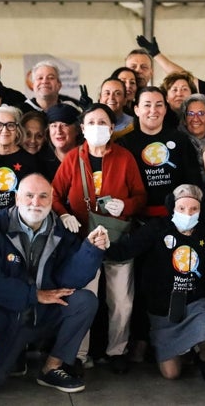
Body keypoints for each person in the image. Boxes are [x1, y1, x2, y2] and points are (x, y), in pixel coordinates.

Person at [0, 173, 109, 393]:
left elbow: (70, 280)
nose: (36, 202)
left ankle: (51, 368)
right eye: (29, 196)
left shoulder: (61, 230)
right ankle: (16, 355)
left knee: (85, 301)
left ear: (52, 198)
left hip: (46, 314)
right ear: (17, 198)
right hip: (8, 317)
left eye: (43, 196)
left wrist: (91, 251)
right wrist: (34, 295)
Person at [52, 103, 146, 374]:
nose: (96, 127)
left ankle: (117, 350)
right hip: (83, 241)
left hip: (116, 237)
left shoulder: (125, 157)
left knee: (121, 300)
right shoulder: (72, 158)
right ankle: (78, 354)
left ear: (112, 127)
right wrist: (63, 215)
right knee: (84, 298)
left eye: (102, 122)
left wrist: (125, 206)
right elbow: (54, 194)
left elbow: (140, 197)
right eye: (90, 122)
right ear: (82, 128)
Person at [106, 184, 205, 381]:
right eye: (182, 208)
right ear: (172, 207)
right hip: (163, 308)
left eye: (194, 209)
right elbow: (126, 250)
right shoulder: (157, 228)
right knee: (171, 374)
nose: (188, 213)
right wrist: (99, 246)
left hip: (195, 302)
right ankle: (181, 350)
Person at [118, 86, 201, 218]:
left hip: (178, 215)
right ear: (137, 110)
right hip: (136, 217)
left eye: (159, 105)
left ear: (165, 109)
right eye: (147, 105)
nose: (153, 110)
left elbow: (194, 180)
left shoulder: (180, 140)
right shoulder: (124, 143)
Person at [39, 103, 81, 181]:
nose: (58, 131)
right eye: (54, 126)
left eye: (64, 125)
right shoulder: (41, 162)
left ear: (77, 130)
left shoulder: (87, 158)